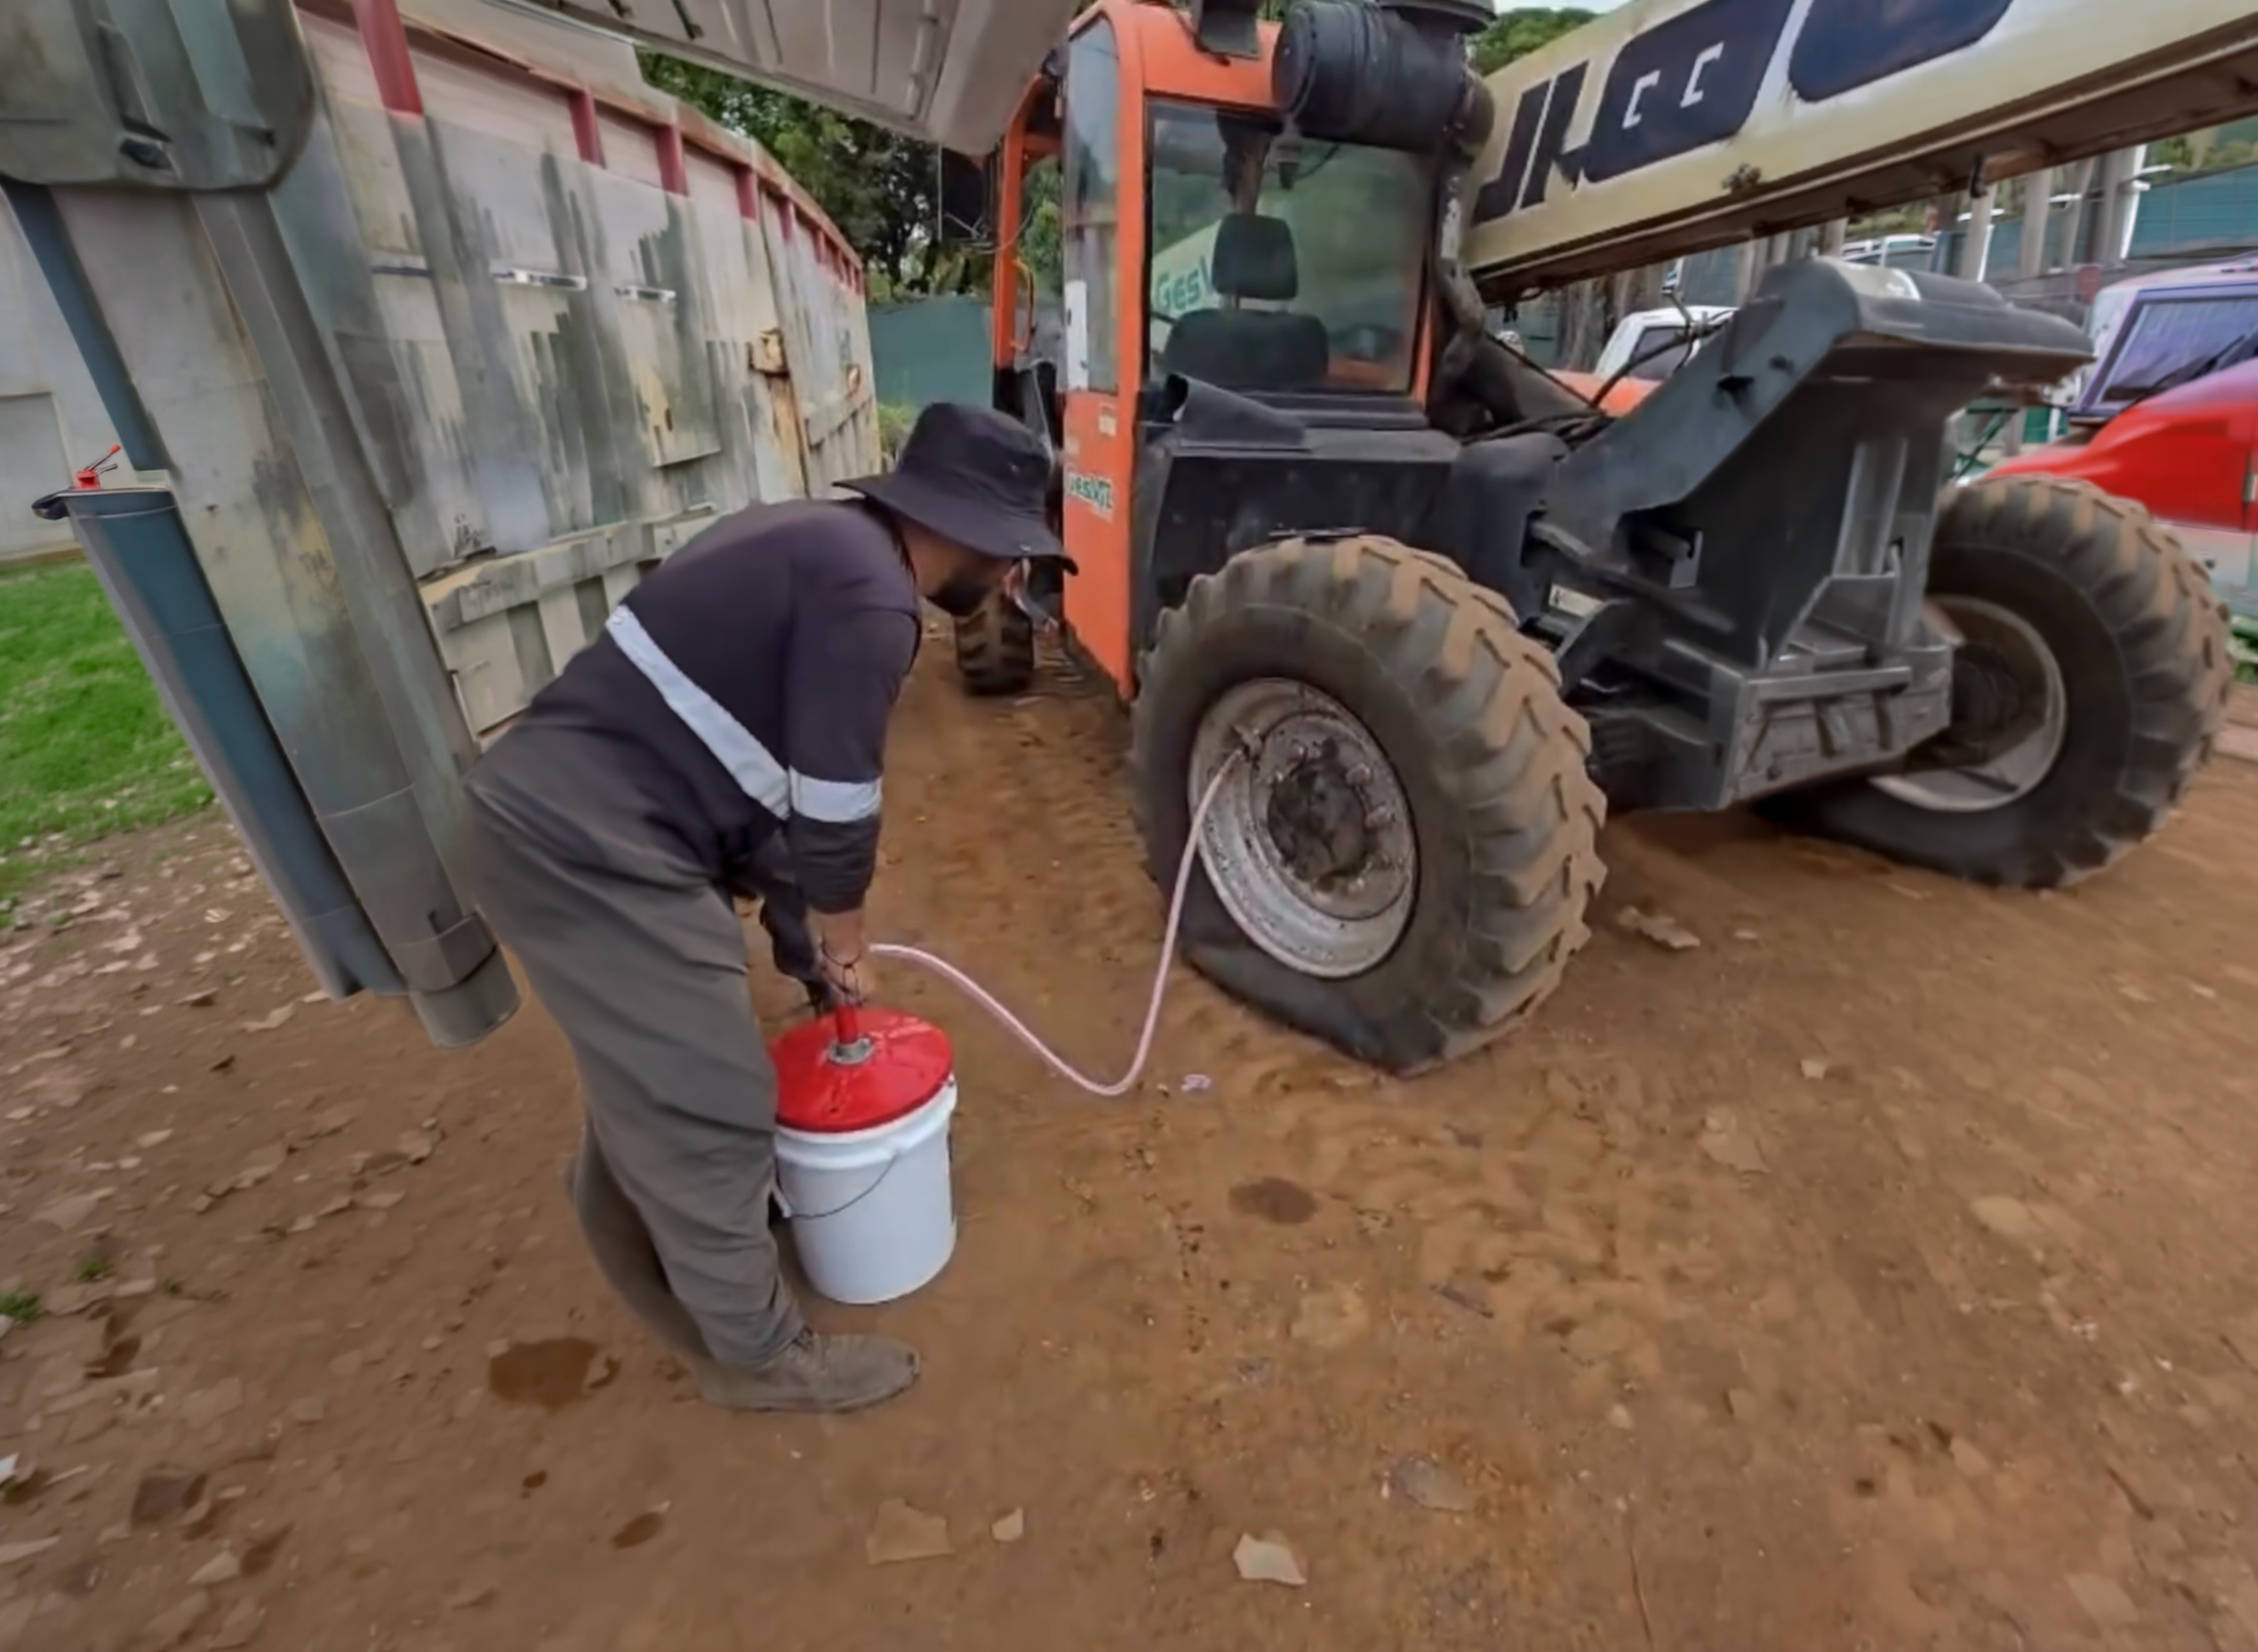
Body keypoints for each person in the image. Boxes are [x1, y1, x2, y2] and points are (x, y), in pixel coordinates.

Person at [464, 403, 1068, 1413]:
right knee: (711, 1105)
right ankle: (759, 1356)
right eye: (1011, 554)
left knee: (664, 1077)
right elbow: (834, 802)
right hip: (594, 848)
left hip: (578, 824)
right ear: (960, 527)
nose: (1015, 579)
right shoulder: (875, 598)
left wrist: (806, 961)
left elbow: (772, 805)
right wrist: (844, 938)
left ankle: (674, 1245)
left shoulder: (820, 544)